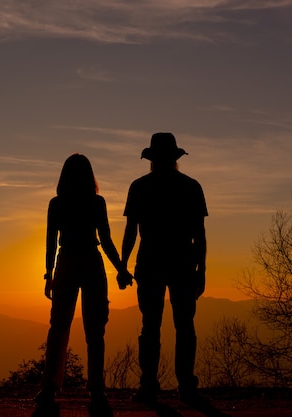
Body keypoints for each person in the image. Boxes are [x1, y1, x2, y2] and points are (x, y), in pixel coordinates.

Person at [119, 133, 208, 404]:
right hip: (182, 261)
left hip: (150, 261)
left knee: (151, 326)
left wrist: (123, 265)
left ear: (151, 159)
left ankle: (149, 385)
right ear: (175, 158)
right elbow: (199, 235)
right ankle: (186, 386)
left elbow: (130, 231)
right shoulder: (190, 186)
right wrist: (201, 270)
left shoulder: (139, 187)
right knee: (184, 325)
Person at [33, 154, 123, 417]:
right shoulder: (96, 202)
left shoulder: (57, 203)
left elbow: (51, 242)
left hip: (67, 261)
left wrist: (49, 273)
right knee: (95, 329)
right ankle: (96, 389)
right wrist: (120, 268)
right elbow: (105, 239)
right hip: (91, 262)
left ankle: (50, 387)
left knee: (59, 326)